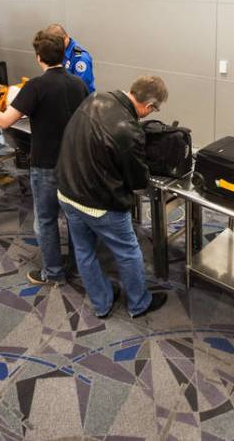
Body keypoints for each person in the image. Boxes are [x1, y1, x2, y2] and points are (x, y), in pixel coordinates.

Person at [0, 30, 89, 285]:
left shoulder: (35, 86)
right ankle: (78, 269)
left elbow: (3, 120)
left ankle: (52, 273)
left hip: (45, 165)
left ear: (39, 57)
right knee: (76, 220)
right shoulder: (79, 84)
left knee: (45, 220)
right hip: (74, 164)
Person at [55, 75, 168, 318]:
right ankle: (139, 303)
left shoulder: (95, 98)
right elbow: (138, 182)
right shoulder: (128, 129)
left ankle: (102, 302)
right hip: (99, 204)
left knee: (84, 250)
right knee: (128, 252)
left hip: (66, 190)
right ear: (149, 107)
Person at [45, 23, 95, 93]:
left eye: (57, 43)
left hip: (81, 100)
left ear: (65, 38)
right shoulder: (59, 51)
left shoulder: (80, 58)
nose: (55, 47)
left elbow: (82, 88)